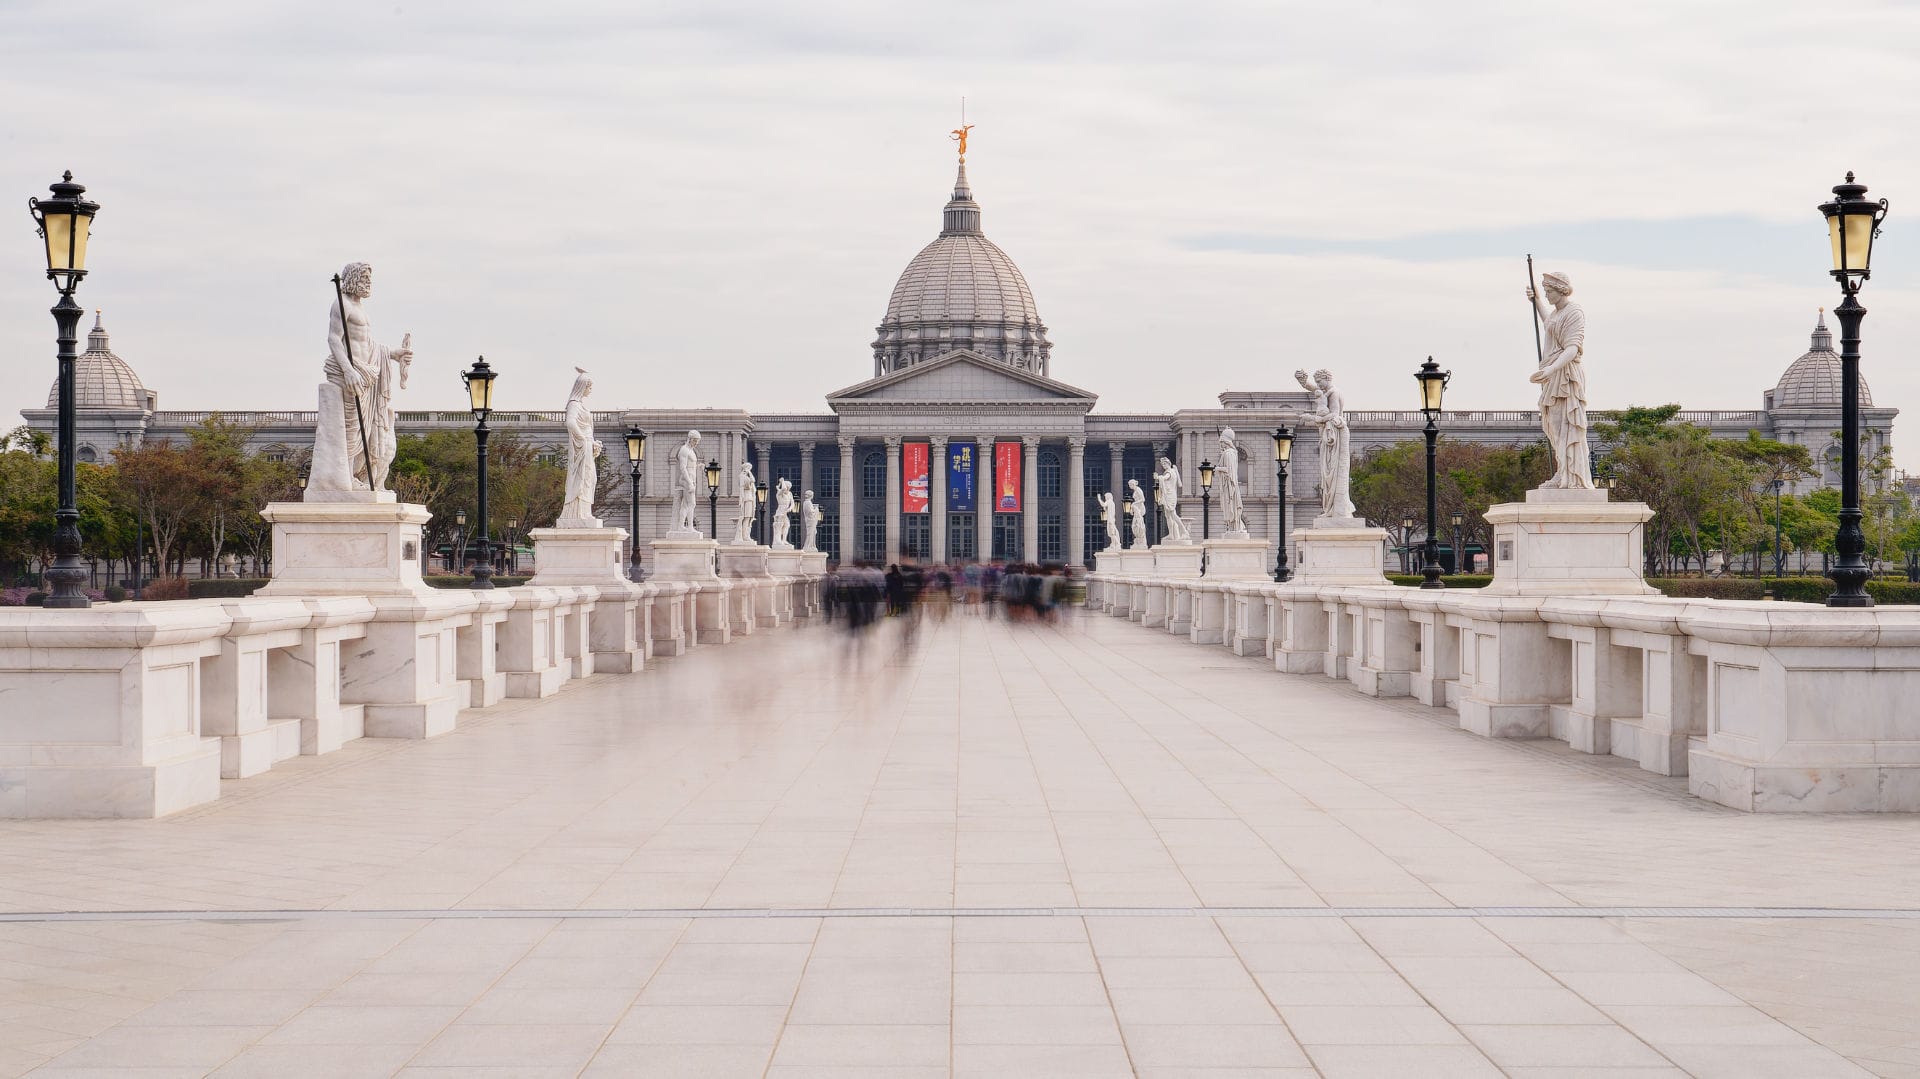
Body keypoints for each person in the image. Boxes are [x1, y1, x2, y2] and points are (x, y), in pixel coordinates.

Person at [1527, 271, 1595, 490]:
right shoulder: (1557, 313)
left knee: (1567, 425)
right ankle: (1563, 471)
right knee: (1555, 427)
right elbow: (1550, 324)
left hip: (1566, 376)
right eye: (1545, 292)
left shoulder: (1575, 312)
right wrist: (1536, 300)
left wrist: (1551, 369)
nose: (1547, 295)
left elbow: (1572, 348)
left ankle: (1573, 475)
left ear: (1561, 290)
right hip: (1553, 375)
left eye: (1548, 292)